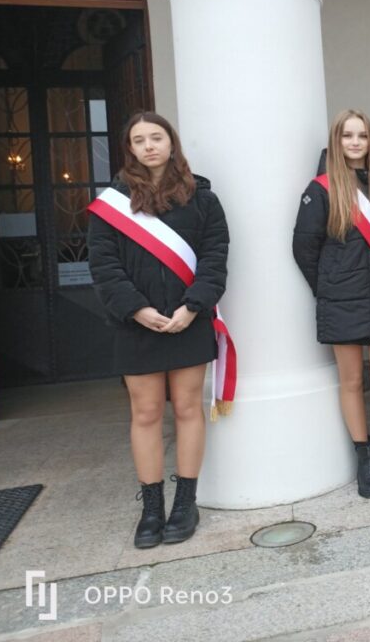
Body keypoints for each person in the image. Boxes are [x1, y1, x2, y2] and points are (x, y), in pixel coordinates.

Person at [88, 111, 229, 548]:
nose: (149, 146)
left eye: (157, 137)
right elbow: (103, 264)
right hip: (137, 325)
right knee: (146, 413)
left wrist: (192, 306)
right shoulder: (113, 201)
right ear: (129, 148)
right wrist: (136, 309)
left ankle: (185, 503)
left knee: (188, 410)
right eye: (139, 140)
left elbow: (215, 257)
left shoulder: (203, 199)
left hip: (189, 321)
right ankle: (152, 508)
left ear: (171, 143)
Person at [293, 110, 370, 499]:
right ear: (336, 142)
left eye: (361, 135)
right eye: (347, 136)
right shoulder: (322, 189)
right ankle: (364, 458)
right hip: (344, 299)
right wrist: (329, 287)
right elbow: (304, 248)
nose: (355, 142)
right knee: (353, 382)